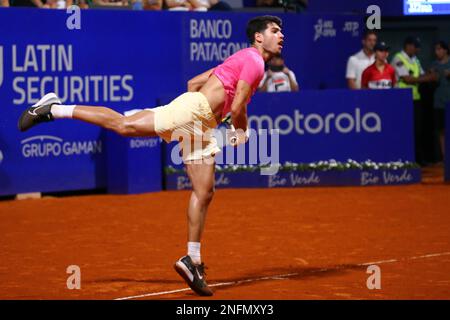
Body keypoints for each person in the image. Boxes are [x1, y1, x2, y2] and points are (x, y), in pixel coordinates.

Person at [18, 15, 284, 297]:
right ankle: (53, 109)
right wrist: (236, 130)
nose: (281, 36)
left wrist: (207, 119)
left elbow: (194, 82)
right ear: (258, 37)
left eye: (281, 31)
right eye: (275, 30)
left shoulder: (241, 60)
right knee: (124, 125)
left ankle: (191, 260)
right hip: (197, 112)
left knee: (204, 191)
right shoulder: (255, 62)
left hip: (200, 120)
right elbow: (239, 103)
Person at [392, 36, 437, 166]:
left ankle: (418, 159)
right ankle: (405, 159)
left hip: (415, 98)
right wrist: (429, 78)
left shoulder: (415, 59)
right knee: (405, 131)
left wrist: (428, 74)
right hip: (402, 100)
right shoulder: (398, 58)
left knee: (417, 130)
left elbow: (420, 75)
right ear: (408, 46)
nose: (417, 50)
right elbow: (407, 79)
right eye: (415, 47)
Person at [429, 41, 450, 160]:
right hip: (438, 102)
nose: (437, 52)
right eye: (436, 49)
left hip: (449, 101)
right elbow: (429, 79)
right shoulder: (434, 65)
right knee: (441, 131)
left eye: (439, 49)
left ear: (445, 50)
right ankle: (445, 157)